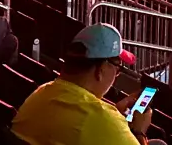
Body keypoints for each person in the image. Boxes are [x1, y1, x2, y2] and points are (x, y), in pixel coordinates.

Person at [12, 23, 154, 145]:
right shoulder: (100, 120)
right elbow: (94, 123)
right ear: (101, 69)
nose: (116, 75)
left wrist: (115, 114)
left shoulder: (40, 93)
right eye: (117, 68)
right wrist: (139, 131)